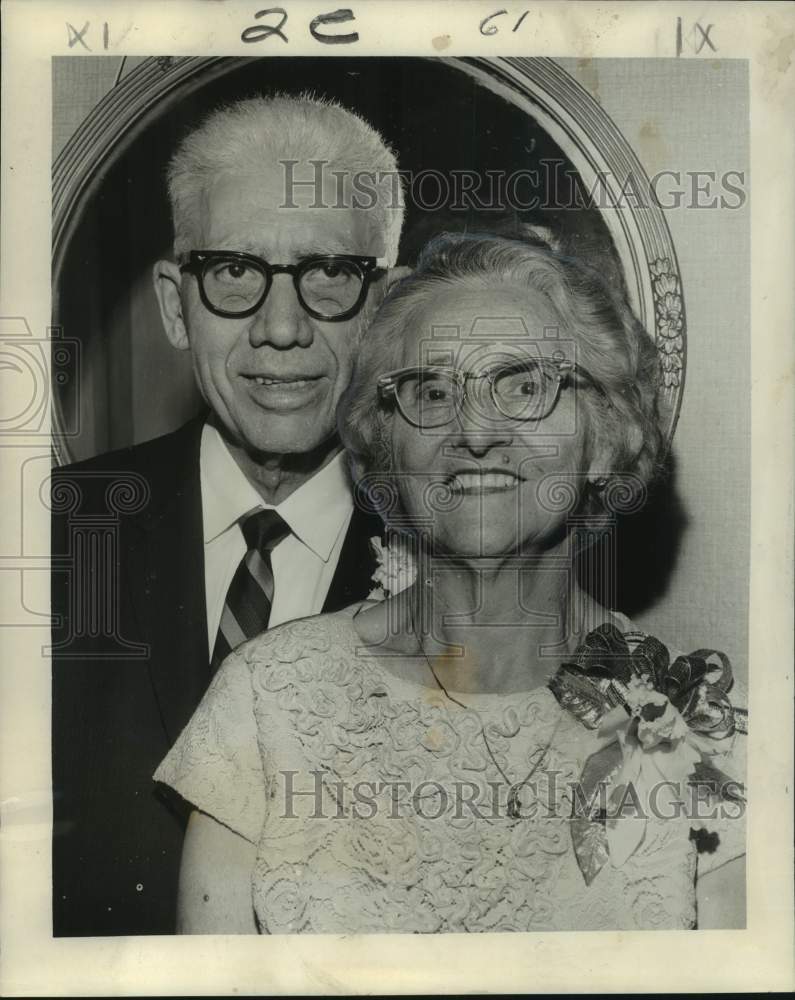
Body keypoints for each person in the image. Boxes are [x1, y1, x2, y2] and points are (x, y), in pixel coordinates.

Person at [154, 233, 747, 933]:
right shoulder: (268, 699)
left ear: (604, 436)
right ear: (386, 446)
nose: (474, 431)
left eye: (525, 385)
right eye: (430, 390)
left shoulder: (702, 730)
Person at [50, 93, 405, 935]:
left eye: (329, 274)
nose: (281, 329)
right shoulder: (45, 537)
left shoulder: (469, 576)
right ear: (177, 305)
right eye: (235, 272)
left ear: (388, 305)